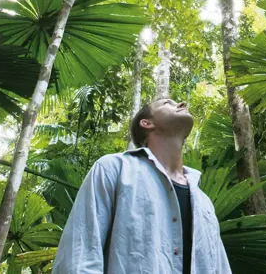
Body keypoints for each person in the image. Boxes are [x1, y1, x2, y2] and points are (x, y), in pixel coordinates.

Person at [52, 98, 232, 274]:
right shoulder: (114, 168)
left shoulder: (203, 201)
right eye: (167, 103)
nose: (181, 104)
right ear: (146, 123)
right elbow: (81, 249)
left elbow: (220, 265)